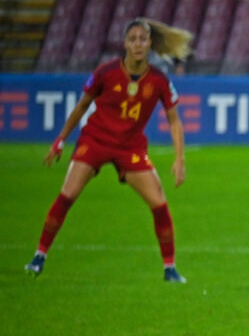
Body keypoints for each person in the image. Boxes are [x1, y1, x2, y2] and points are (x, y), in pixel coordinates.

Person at [25, 17, 191, 282]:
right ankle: (39, 255)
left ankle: (170, 269)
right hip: (96, 140)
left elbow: (174, 119)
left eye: (143, 39)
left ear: (150, 43)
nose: (138, 44)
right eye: (133, 39)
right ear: (124, 43)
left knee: (159, 205)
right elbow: (81, 106)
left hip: (130, 148)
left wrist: (179, 159)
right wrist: (61, 139)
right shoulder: (106, 72)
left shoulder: (159, 80)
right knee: (67, 195)